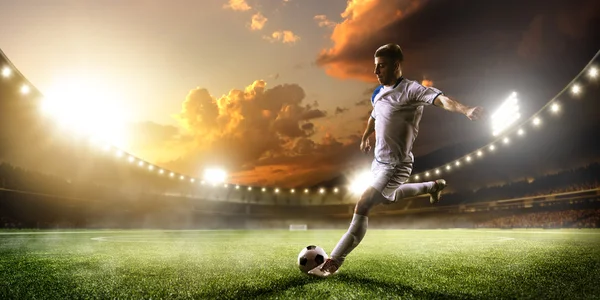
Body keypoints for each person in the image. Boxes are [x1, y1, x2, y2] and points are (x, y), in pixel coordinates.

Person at [309, 43, 485, 277]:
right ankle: (434, 186)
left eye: (381, 66)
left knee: (364, 203)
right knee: (389, 198)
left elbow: (442, 100)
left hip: (396, 165)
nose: (376, 72)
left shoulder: (412, 90)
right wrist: (365, 136)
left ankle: (334, 261)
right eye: (375, 67)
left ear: (396, 65)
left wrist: (466, 110)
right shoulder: (377, 93)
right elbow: (374, 116)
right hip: (378, 163)